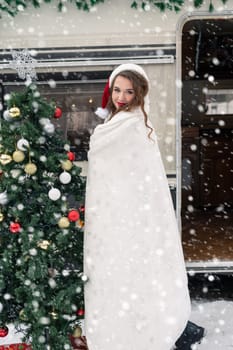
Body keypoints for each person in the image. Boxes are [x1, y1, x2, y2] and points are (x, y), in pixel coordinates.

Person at [84, 63, 191, 350]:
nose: (121, 97)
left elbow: (145, 181)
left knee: (132, 275)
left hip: (132, 217)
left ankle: (137, 334)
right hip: (112, 214)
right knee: (118, 276)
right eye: (117, 90)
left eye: (128, 92)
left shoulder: (137, 125)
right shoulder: (114, 123)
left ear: (139, 94)